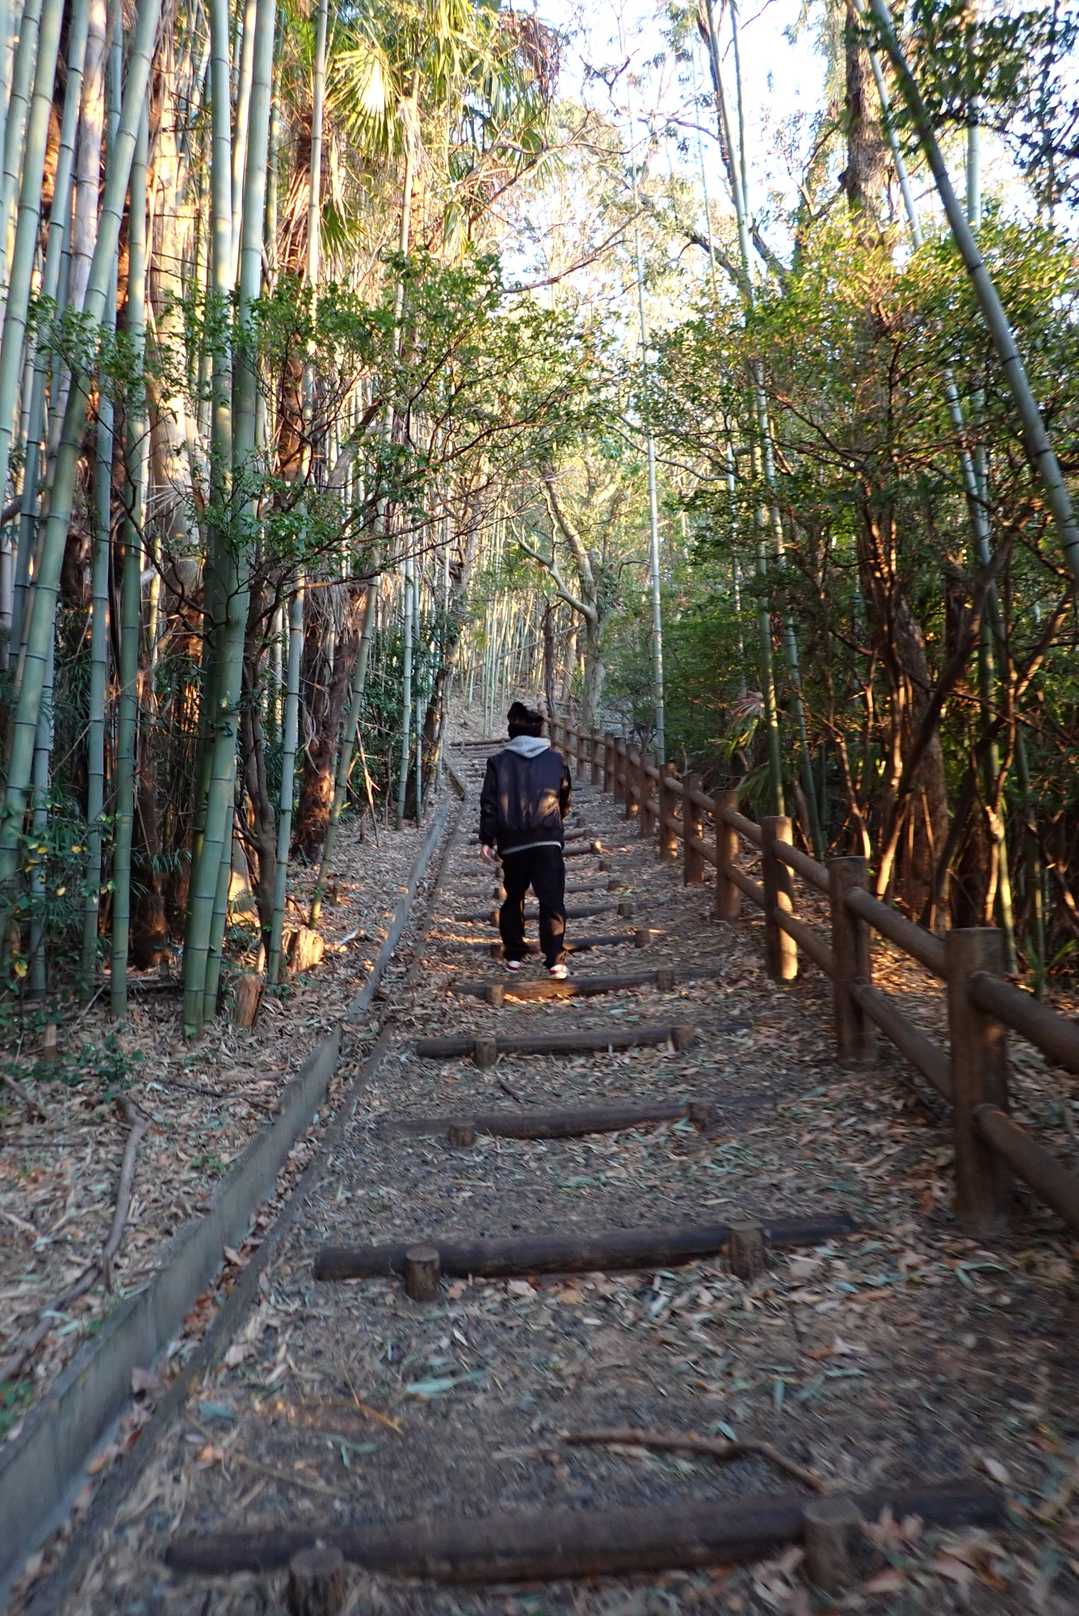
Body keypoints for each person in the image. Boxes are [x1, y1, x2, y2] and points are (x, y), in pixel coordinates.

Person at [479, 702, 572, 977]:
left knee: (514, 897)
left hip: (513, 840)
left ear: (512, 733)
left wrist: (487, 839)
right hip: (547, 839)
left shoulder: (498, 762)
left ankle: (514, 956)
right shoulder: (555, 760)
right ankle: (555, 960)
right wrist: (556, 820)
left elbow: (489, 803)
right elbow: (564, 794)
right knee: (552, 899)